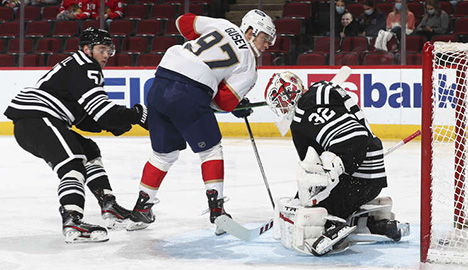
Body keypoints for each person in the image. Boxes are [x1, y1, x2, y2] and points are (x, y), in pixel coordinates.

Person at [126, 10, 276, 234]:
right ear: (251, 31)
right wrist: (237, 105)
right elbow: (224, 102)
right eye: (265, 38)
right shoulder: (249, 68)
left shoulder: (223, 24)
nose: (267, 45)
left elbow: (182, 22)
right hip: (189, 92)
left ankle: (141, 209)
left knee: (163, 155)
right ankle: (217, 212)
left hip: (161, 81)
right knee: (211, 151)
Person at [3, 27, 149, 243]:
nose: (107, 55)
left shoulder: (77, 65)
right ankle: (72, 220)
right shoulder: (85, 67)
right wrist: (137, 115)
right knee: (72, 163)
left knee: (89, 151)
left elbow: (86, 118)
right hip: (38, 119)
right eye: (101, 49)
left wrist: (113, 124)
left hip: (38, 121)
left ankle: (109, 206)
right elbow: (103, 113)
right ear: (86, 49)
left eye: (109, 50)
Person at [265, 71, 408, 256]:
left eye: (281, 101)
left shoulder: (304, 111)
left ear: (290, 92)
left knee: (314, 208)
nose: (282, 108)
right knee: (323, 190)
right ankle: (376, 223)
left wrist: (339, 162)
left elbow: (354, 138)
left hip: (357, 179)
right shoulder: (322, 89)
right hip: (373, 177)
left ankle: (333, 226)